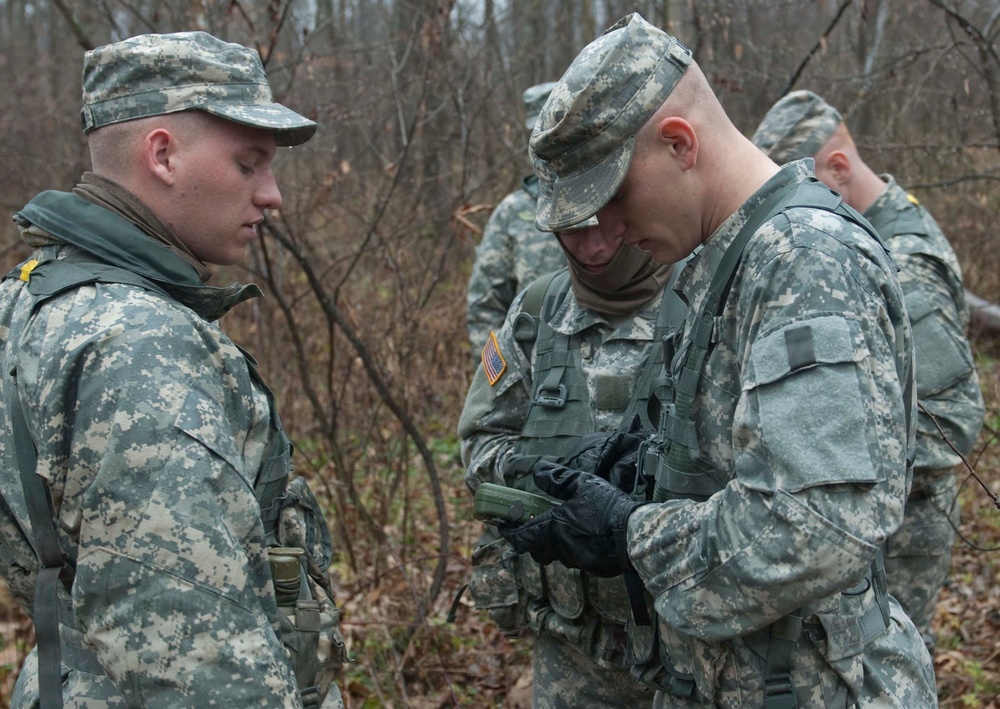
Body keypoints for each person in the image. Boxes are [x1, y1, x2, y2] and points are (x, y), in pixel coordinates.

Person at [497, 13, 938, 707]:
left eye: (611, 197)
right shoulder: (717, 262)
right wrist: (631, 467)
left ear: (679, 143)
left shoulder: (804, 257)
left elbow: (812, 529)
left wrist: (630, 533)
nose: (602, 233)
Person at [0, 32, 346, 707]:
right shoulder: (139, 344)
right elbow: (198, 665)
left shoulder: (27, 297)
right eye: (249, 165)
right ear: (162, 154)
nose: (271, 194)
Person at [751, 90, 986, 653]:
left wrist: (839, 480)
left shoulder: (904, 264)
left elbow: (950, 424)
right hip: (869, 528)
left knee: (889, 665)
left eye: (802, 189)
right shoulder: (864, 234)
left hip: (902, 533)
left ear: (837, 168)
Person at [459, 213, 684, 707]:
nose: (593, 245)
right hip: (572, 642)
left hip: (689, 642)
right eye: (573, 230)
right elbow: (480, 444)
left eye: (607, 223)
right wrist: (550, 479)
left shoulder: (705, 299)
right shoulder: (538, 309)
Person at [466, 81, 569, 356]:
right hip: (533, 377)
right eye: (542, 132)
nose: (551, 142)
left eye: (560, 131)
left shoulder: (614, 200)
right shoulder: (513, 212)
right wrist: (496, 382)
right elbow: (485, 306)